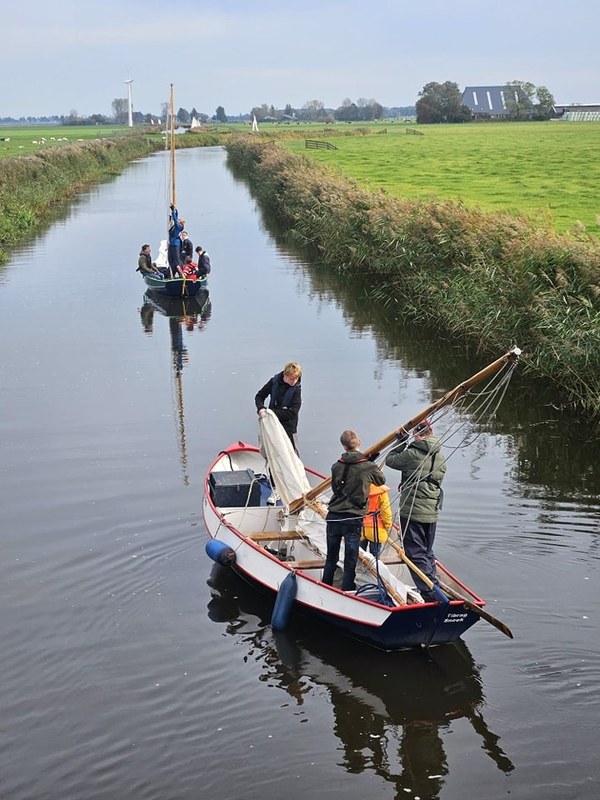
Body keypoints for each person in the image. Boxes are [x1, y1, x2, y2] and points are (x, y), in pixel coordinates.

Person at [385, 418, 447, 601]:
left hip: (413, 510)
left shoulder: (413, 454)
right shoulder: (440, 456)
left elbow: (390, 460)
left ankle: (431, 593)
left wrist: (400, 441)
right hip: (432, 512)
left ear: (416, 435)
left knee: (414, 553)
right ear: (431, 433)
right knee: (427, 550)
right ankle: (433, 582)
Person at [323, 430, 386, 592]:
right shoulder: (368, 467)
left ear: (343, 446)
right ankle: (347, 592)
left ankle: (325, 587)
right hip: (353, 520)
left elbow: (338, 485)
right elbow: (380, 480)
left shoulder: (335, 466)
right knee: (350, 562)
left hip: (334, 517)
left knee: (331, 559)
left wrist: (367, 461)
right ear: (359, 442)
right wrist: (370, 462)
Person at [255, 361, 302, 452]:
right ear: (285, 375)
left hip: (289, 429)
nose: (294, 381)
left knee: (292, 454)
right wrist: (261, 408)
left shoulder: (296, 390)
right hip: (272, 424)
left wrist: (270, 412)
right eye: (291, 379)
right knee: (272, 451)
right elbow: (259, 396)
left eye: (296, 379)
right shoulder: (274, 382)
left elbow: (292, 412)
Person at [361, 483, 392, 557]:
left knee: (359, 555)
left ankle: (358, 568)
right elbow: (386, 512)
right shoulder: (381, 492)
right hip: (376, 530)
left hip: (361, 527)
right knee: (374, 559)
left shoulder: (359, 487)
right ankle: (372, 568)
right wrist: (388, 525)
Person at [167, 204, 185, 276]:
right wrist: (175, 210)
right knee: (170, 258)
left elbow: (175, 219)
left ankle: (180, 272)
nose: (178, 220)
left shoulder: (178, 227)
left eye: (179, 220)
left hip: (175, 244)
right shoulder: (177, 224)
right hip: (171, 243)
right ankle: (172, 272)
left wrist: (172, 211)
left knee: (176, 259)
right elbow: (176, 218)